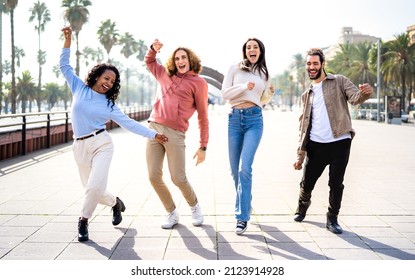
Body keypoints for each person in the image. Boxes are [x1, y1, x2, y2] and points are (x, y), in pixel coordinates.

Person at [59, 27, 168, 242]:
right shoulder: (79, 88)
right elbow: (64, 66)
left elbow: (129, 124)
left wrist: (153, 135)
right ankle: (115, 203)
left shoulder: (109, 104)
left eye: (112, 81)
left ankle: (83, 221)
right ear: (97, 76)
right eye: (106, 78)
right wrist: (68, 40)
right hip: (79, 146)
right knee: (94, 191)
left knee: (93, 187)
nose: (108, 83)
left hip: (102, 144)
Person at [293, 48, 372, 234]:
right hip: (315, 145)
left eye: (315, 63)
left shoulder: (339, 81)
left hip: (340, 142)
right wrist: (300, 156)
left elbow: (355, 98)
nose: (311, 67)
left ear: (322, 64)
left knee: (336, 183)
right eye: (309, 64)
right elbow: (303, 128)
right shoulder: (307, 95)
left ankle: (332, 218)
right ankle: (303, 204)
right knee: (307, 182)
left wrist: (365, 93)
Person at [145, 39, 209, 229]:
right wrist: (153, 50)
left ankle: (195, 206)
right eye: (177, 58)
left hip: (175, 133)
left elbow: (203, 117)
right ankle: (171, 212)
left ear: (190, 60)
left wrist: (203, 145)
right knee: (153, 176)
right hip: (154, 129)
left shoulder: (199, 83)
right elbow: (150, 62)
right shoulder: (164, 74)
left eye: (184, 57)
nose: (181, 61)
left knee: (178, 177)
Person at [221, 38, 274, 235]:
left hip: (254, 120)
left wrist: (269, 94)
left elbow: (262, 100)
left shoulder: (264, 73)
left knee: (245, 168)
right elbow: (225, 94)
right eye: (249, 47)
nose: (252, 50)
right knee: (234, 171)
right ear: (245, 51)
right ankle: (246, 203)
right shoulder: (234, 69)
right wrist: (245, 88)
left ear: (261, 51)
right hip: (234, 120)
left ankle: (241, 218)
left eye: (256, 47)